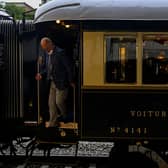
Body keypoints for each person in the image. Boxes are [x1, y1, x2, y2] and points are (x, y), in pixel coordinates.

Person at [36, 37, 75, 127]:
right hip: (53, 82)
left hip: (62, 82)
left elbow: (69, 67)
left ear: (50, 43)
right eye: (43, 47)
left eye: (45, 46)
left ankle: (66, 116)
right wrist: (41, 74)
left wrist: (71, 80)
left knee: (59, 102)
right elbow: (47, 68)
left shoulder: (60, 52)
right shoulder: (46, 54)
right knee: (51, 103)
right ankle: (53, 123)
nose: (44, 49)